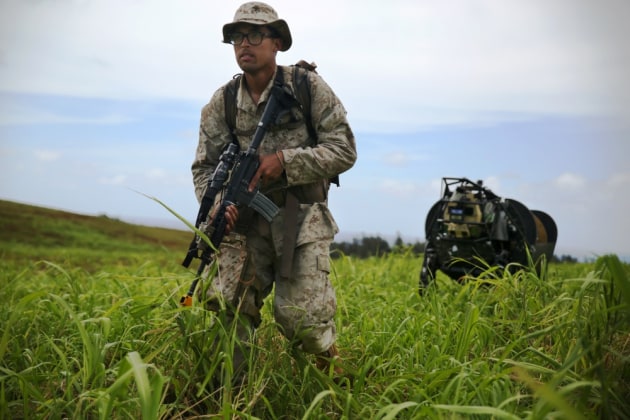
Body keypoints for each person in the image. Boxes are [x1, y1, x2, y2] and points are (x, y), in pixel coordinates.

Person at [190, 2, 357, 380]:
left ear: (277, 42)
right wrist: (217, 205)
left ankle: (334, 380)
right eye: (236, 36)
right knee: (228, 309)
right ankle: (229, 397)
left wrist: (284, 161)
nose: (243, 44)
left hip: (301, 217)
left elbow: (344, 149)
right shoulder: (223, 103)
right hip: (244, 220)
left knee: (302, 321)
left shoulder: (306, 87)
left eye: (254, 35)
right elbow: (204, 167)